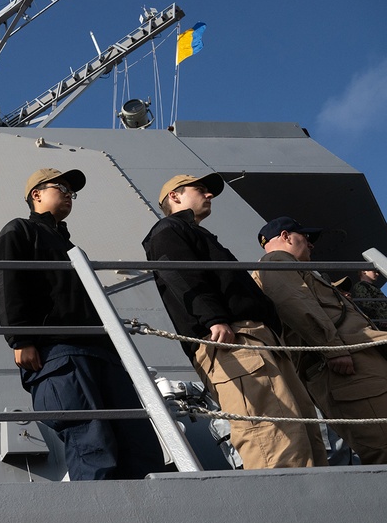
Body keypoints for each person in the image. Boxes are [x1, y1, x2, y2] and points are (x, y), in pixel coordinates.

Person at [0, 168, 167, 480]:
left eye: (72, 191)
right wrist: (20, 339)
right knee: (92, 444)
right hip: (59, 352)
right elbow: (9, 281)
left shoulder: (71, 248)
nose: (69, 194)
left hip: (103, 355)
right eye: (62, 187)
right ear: (37, 194)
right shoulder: (20, 231)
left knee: (139, 445)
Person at [142, 173, 325, 469]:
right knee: (273, 436)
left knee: (304, 432)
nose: (209, 195)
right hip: (233, 340)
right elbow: (179, 273)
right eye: (200, 189)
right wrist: (213, 318)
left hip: (260, 340)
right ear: (174, 196)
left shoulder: (196, 233)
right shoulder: (169, 229)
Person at [253, 216, 387, 464]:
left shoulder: (296, 269)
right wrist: (333, 349)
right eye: (305, 238)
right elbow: (296, 304)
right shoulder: (276, 262)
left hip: (358, 359)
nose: (311, 244)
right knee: (383, 444)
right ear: (285, 236)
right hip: (348, 366)